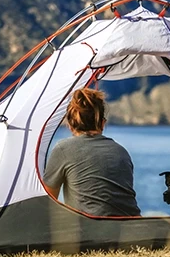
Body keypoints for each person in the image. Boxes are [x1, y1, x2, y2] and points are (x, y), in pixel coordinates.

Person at [43, 88, 141, 217]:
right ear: (102, 123)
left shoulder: (63, 149)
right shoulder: (121, 151)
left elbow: (48, 201)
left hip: (90, 231)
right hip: (133, 228)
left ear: (70, 124)